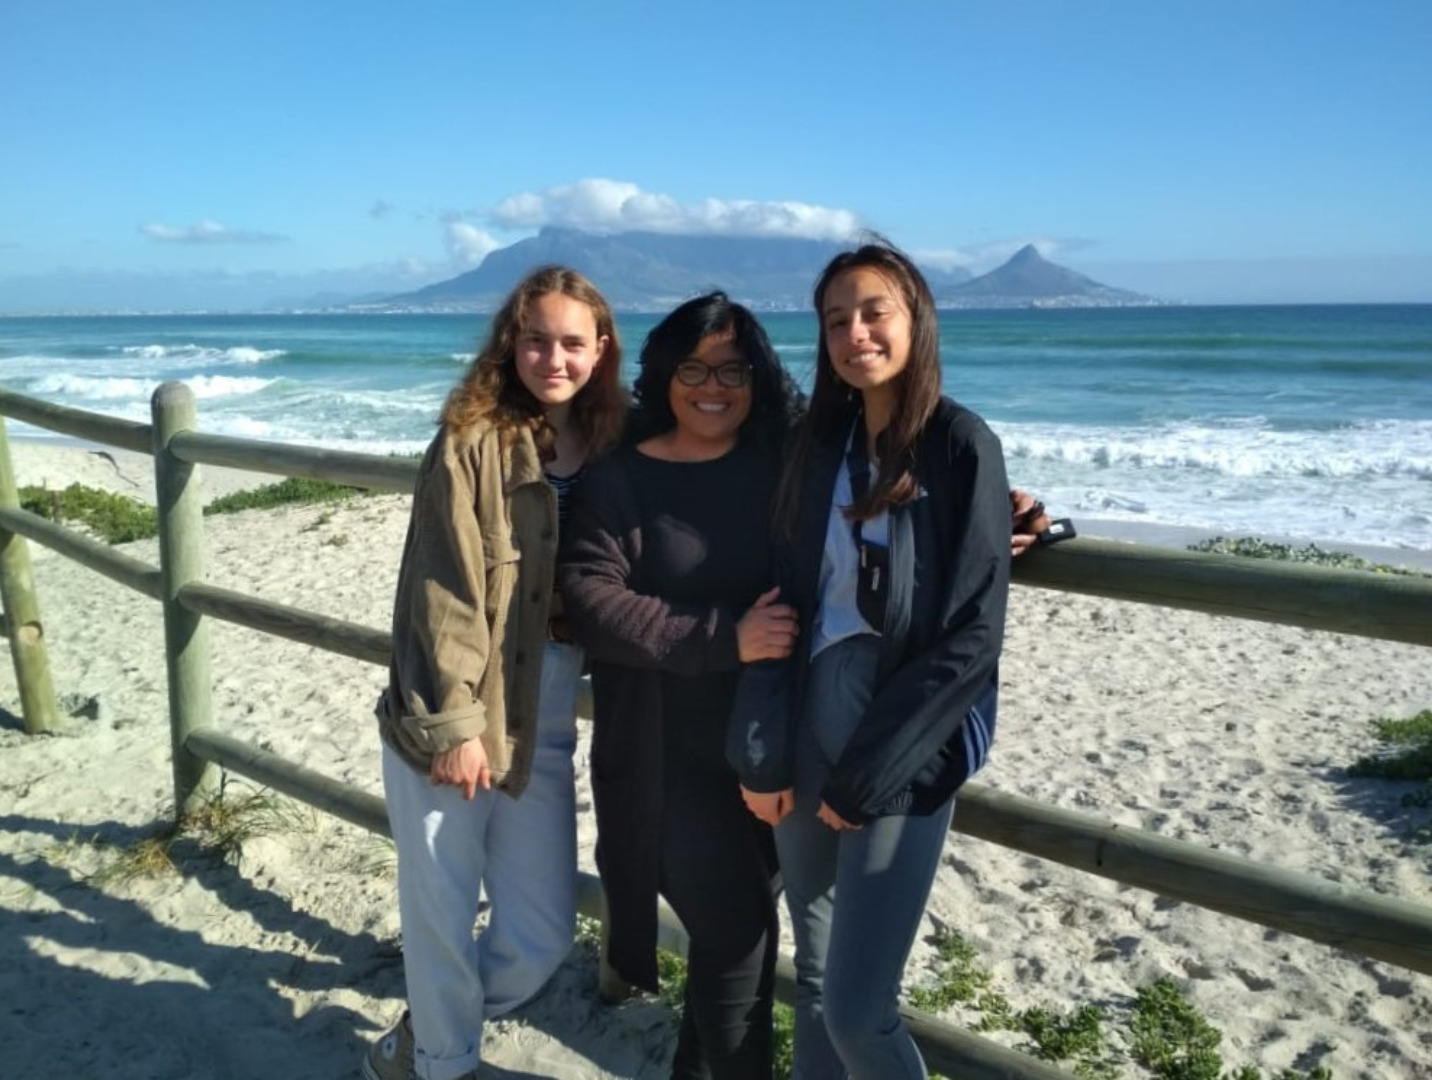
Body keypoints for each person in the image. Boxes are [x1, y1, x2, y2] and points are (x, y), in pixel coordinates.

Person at [729, 242, 1012, 1080]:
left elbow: (971, 636)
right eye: (835, 320)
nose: (855, 333)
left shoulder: (960, 446)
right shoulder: (816, 444)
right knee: (816, 981)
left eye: (873, 312)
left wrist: (870, 775)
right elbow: (782, 599)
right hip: (805, 729)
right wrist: (765, 749)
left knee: (859, 1009)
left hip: (900, 750)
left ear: (915, 319)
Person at [365, 265, 628, 1080]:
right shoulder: (472, 439)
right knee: (441, 909)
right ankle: (438, 1063)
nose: (555, 358)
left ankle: (428, 1029)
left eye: (573, 343)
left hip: (546, 705)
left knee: (542, 932)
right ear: (512, 343)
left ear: (602, 348)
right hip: (460, 701)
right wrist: (454, 723)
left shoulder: (617, 439)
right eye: (537, 340)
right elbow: (442, 589)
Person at [558, 292, 804, 1079]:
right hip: (662, 759)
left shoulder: (784, 462)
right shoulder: (621, 476)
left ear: (758, 377)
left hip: (767, 748)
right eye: (694, 369)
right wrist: (724, 637)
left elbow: (881, 497)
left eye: (733, 370)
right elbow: (590, 598)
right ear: (664, 374)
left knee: (741, 938)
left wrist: (997, 513)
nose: (713, 387)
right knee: (737, 933)